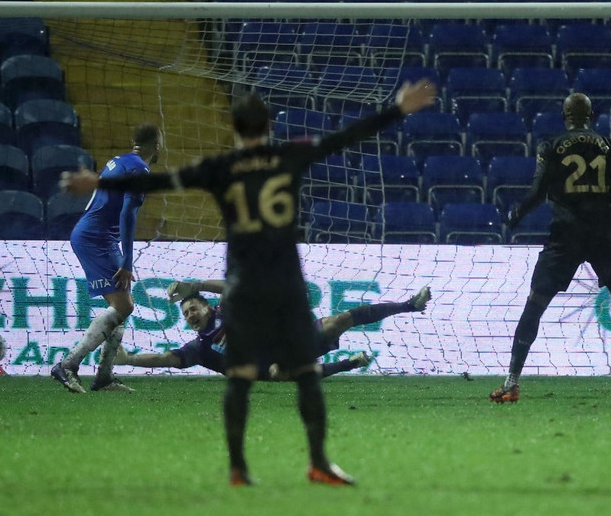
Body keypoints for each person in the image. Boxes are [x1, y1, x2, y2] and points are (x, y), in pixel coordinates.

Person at [60, 81, 437, 486]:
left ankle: (238, 469)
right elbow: (346, 137)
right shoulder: (290, 154)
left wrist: (99, 183)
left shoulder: (220, 168)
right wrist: (397, 109)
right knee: (307, 373)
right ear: (269, 126)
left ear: (235, 129)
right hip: (285, 285)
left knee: (238, 378)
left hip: (242, 288)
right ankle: (318, 463)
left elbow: (159, 182)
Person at [491, 93, 611, 403]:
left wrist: (515, 215)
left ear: (564, 115)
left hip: (565, 236)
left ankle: (512, 382)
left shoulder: (551, 146)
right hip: (603, 235)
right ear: (590, 116)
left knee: (535, 305)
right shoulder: (609, 146)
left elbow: (536, 193)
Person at [51, 123, 161, 394]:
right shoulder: (140, 170)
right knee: (124, 306)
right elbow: (127, 214)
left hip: (99, 235)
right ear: (156, 145)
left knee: (123, 306)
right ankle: (68, 365)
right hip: (95, 238)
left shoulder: (119, 161)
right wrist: (127, 262)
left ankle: (104, 377)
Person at [113, 286, 431, 379]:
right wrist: (129, 360)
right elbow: (167, 359)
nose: (190, 315)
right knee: (280, 372)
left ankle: (409, 305)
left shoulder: (227, 309)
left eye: (193, 307)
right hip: (268, 367)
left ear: (207, 307)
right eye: (185, 314)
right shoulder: (201, 347)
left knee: (340, 319)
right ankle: (349, 363)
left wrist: (196, 285)